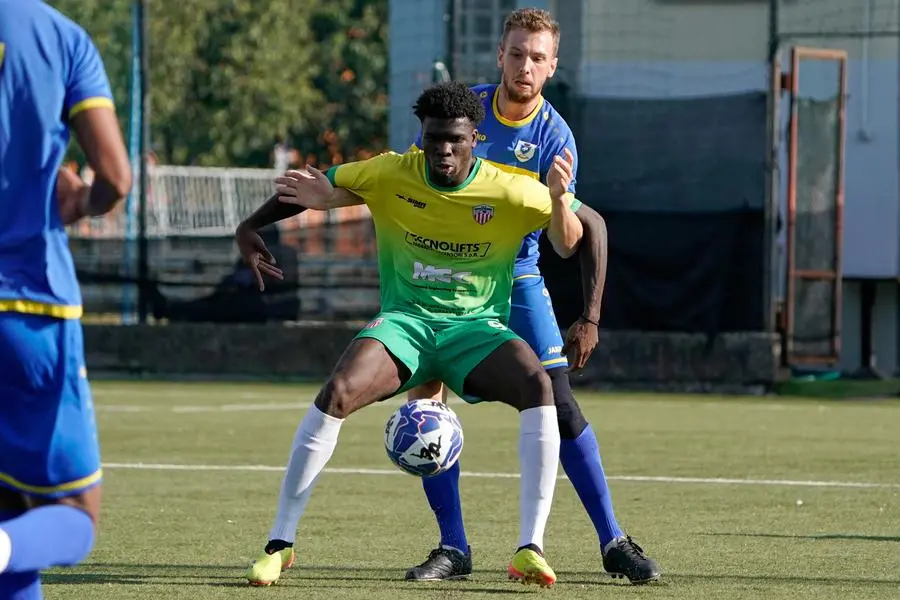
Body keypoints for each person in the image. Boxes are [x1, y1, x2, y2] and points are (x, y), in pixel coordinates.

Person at [236, 80, 586, 588]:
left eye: (456, 140)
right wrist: (250, 227)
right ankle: (279, 545)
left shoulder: (510, 188)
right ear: (420, 136)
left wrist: (587, 305)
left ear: (475, 138)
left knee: (539, 386)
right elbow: (314, 187)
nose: (443, 149)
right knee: (336, 392)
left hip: (477, 330)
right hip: (405, 326)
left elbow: (585, 229)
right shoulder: (387, 171)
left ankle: (530, 548)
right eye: (433, 138)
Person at [400, 8, 659, 584]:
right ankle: (453, 548)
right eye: (517, 53)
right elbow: (412, 180)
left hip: (516, 279)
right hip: (449, 277)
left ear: (552, 67)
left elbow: (567, 245)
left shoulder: (555, 136)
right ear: (500, 55)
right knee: (428, 403)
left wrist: (561, 200)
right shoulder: (462, 110)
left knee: (560, 404)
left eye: (537, 57)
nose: (525, 65)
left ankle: (613, 540)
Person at [0, 1, 132, 598]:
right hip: (27, 305)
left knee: (11, 507)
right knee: (72, 514)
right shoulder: (59, 36)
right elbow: (116, 178)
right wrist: (80, 203)